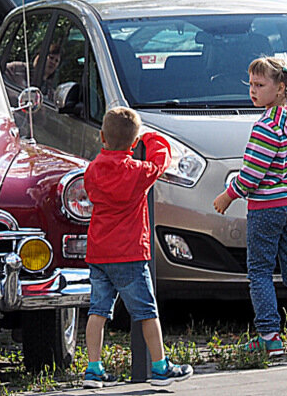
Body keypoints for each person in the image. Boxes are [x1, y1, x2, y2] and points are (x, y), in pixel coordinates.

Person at [213, 56, 287, 356]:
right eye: (250, 84)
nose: (253, 90)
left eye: (260, 85)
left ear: (279, 88)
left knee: (260, 270)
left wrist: (229, 194)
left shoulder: (265, 126)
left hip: (268, 209)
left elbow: (252, 174)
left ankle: (268, 334)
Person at [83, 106, 193, 387]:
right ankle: (160, 366)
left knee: (97, 312)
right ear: (133, 144)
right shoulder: (137, 172)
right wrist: (151, 136)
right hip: (130, 253)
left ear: (101, 137)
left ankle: (93, 369)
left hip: (99, 253)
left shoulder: (92, 170)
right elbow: (161, 159)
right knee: (147, 312)